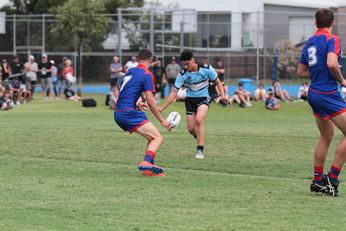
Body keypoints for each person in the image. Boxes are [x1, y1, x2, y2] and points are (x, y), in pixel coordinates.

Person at [297, 8, 346, 197]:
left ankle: (317, 181)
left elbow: (301, 72)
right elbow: (332, 63)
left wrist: (318, 72)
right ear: (333, 23)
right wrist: (341, 80)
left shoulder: (309, 42)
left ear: (315, 23)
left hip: (314, 93)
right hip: (327, 92)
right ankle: (332, 179)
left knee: (326, 136)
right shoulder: (332, 39)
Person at [114, 48, 171, 177]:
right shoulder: (147, 74)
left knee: (152, 137)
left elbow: (126, 91)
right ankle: (146, 162)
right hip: (128, 112)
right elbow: (151, 101)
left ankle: (148, 169)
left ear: (137, 59)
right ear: (150, 60)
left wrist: (138, 103)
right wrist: (162, 120)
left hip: (119, 112)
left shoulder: (130, 71)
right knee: (158, 138)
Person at [160, 50, 227, 159]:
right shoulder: (182, 74)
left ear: (193, 60)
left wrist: (223, 96)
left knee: (199, 119)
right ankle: (200, 138)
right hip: (190, 100)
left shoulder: (206, 69)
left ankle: (200, 150)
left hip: (204, 97)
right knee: (191, 129)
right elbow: (174, 92)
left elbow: (218, 82)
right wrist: (161, 108)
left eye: (187, 64)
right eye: (184, 64)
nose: (185, 66)